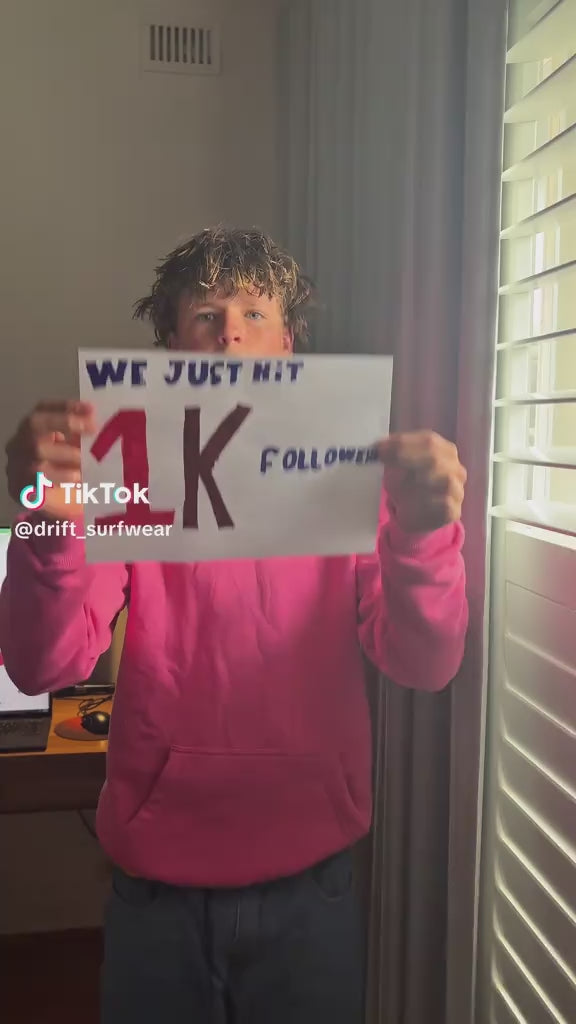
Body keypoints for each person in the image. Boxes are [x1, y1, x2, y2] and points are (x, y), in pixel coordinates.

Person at [0, 226, 468, 1024]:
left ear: (288, 344)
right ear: (170, 349)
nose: (231, 334)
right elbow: (44, 664)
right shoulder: (128, 471)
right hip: (159, 893)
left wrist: (424, 533)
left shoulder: (351, 476)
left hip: (312, 885)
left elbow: (426, 663)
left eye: (254, 312)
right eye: (206, 315)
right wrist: (44, 515)